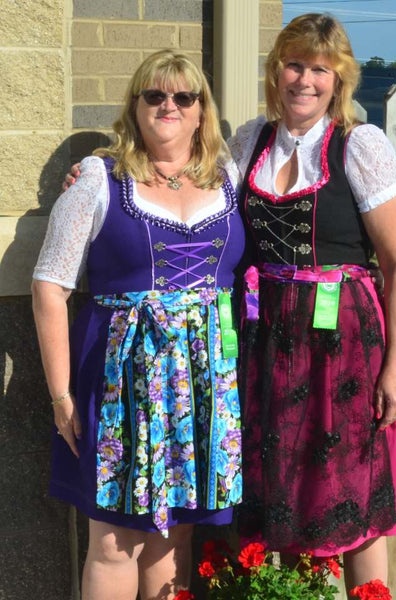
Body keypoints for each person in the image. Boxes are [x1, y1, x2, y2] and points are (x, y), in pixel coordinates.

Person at [32, 49, 244, 600]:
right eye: (154, 95)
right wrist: (61, 396)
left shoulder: (230, 177)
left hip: (202, 378)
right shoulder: (98, 180)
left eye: (183, 97)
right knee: (112, 540)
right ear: (135, 106)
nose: (168, 105)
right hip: (121, 376)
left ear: (202, 112)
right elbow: (49, 287)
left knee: (172, 538)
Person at [227, 12, 396, 594]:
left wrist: (395, 366)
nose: (304, 79)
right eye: (294, 64)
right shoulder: (249, 141)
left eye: (320, 68)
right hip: (268, 339)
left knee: (353, 495)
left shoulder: (359, 145)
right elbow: (181, 178)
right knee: (277, 489)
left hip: (343, 343)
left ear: (339, 79)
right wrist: (105, 174)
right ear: (275, 71)